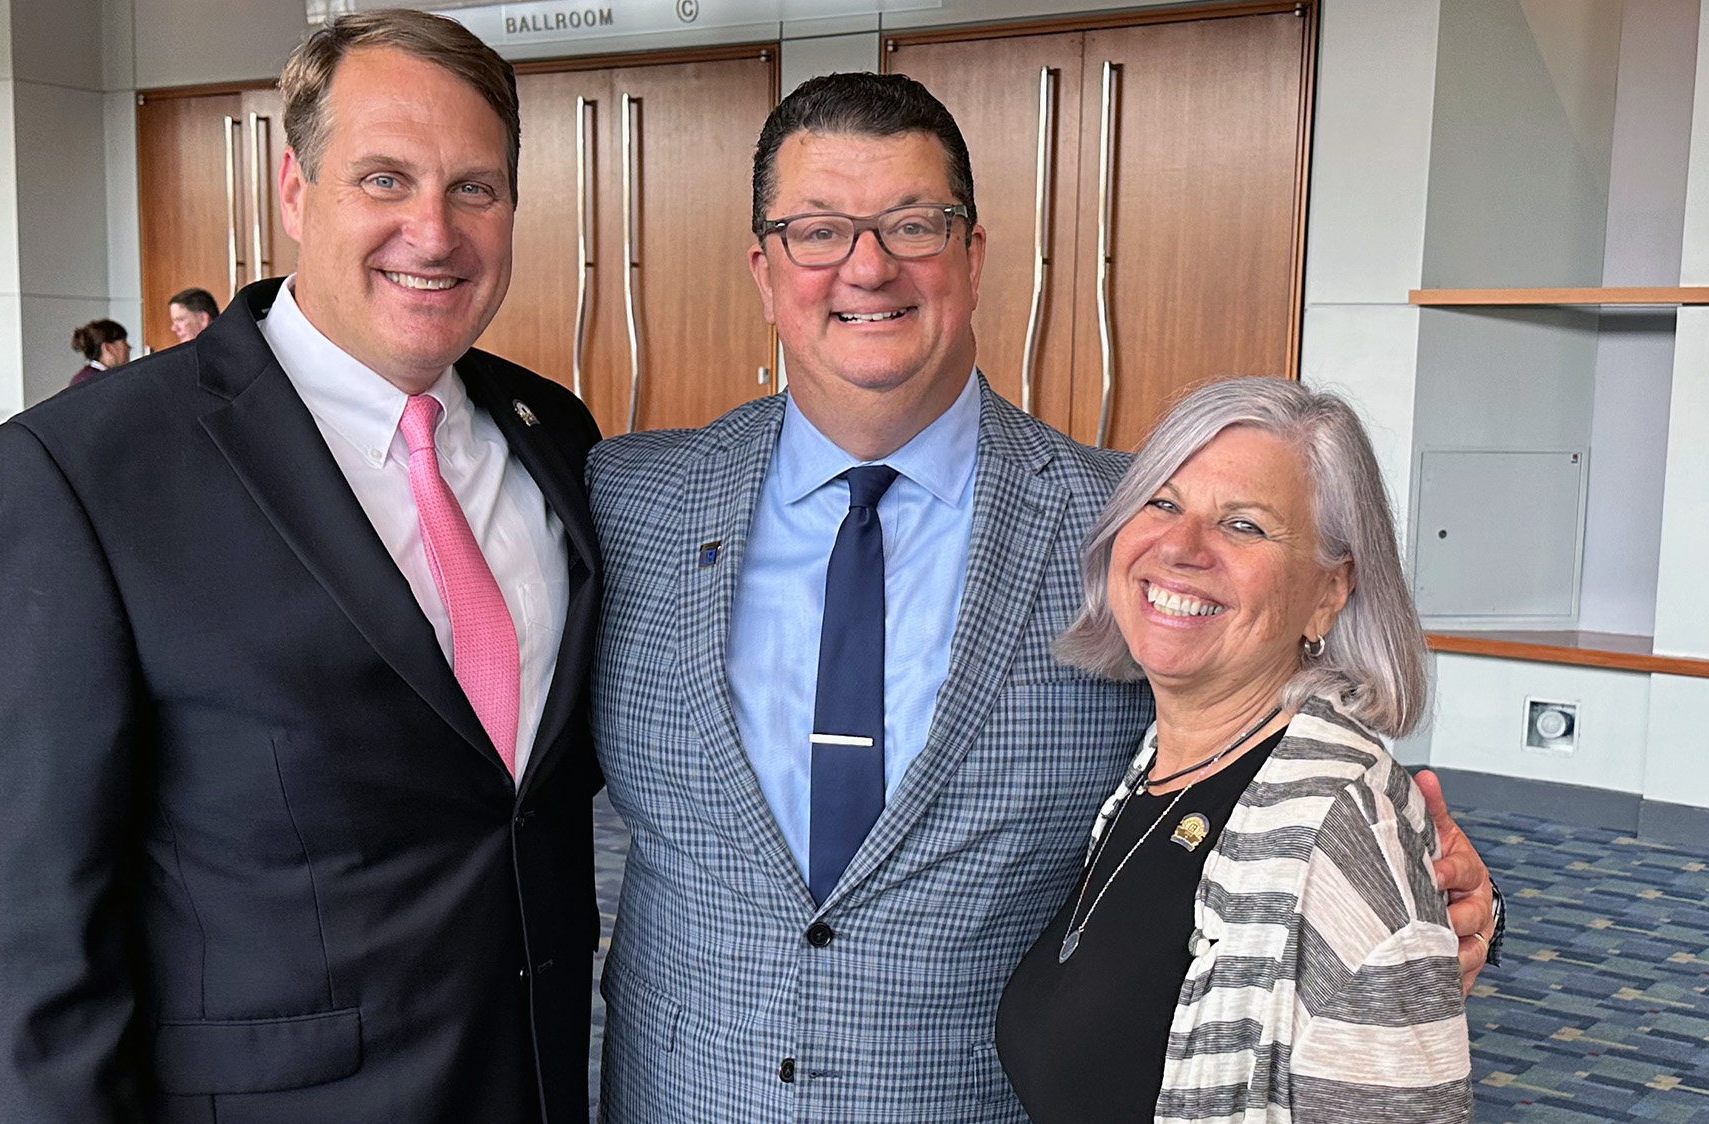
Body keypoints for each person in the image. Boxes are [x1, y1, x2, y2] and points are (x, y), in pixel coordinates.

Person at [586, 73, 1498, 1122]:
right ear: (763, 267)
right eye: (817, 230)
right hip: (679, 1088)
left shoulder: (1129, 535)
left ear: (972, 256)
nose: (867, 264)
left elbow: (1284, 754)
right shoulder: (630, 498)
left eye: (912, 224)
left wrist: (1441, 894)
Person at [0, 10, 602, 1123]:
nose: (431, 232)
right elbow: (23, 922)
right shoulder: (88, 468)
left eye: (474, 188)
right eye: (382, 179)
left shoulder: (553, 433)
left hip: (529, 1078)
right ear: (293, 189)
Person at [994, 377, 1471, 1122]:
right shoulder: (1164, 766)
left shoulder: (1337, 827)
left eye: (1244, 526)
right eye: (1162, 502)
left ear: (1328, 592)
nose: (1180, 548)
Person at [67, 319, 130, 387]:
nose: (128, 347)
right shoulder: (100, 382)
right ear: (108, 347)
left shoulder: (83, 378)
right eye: (124, 341)